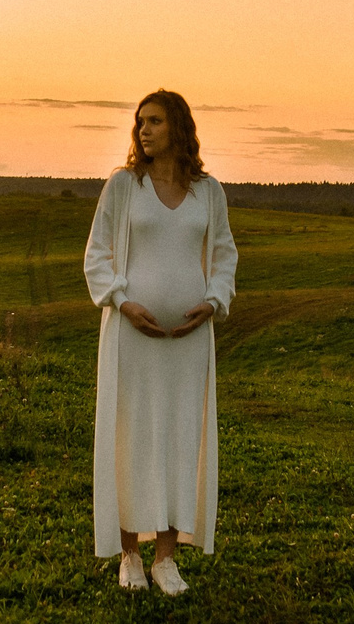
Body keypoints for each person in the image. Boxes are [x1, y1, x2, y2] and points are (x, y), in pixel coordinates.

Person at [81, 89, 237, 595]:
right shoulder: (124, 187)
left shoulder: (208, 191)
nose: (143, 130)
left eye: (154, 121)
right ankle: (129, 554)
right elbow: (98, 254)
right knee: (131, 436)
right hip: (132, 336)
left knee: (178, 435)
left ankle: (166, 559)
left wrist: (213, 301)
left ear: (178, 128)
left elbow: (224, 254)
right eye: (139, 122)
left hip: (189, 341)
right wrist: (122, 301)